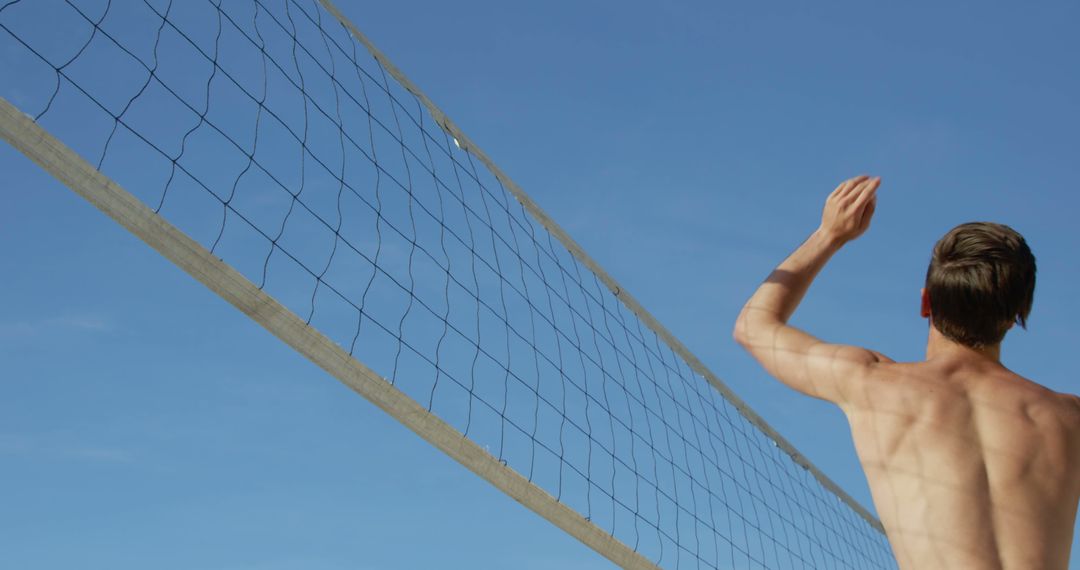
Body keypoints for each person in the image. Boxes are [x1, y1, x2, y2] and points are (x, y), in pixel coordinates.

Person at [733, 175, 1080, 569]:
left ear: (925, 302)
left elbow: (754, 327)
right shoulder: (1070, 418)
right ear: (1019, 314)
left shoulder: (872, 383)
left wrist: (830, 235)